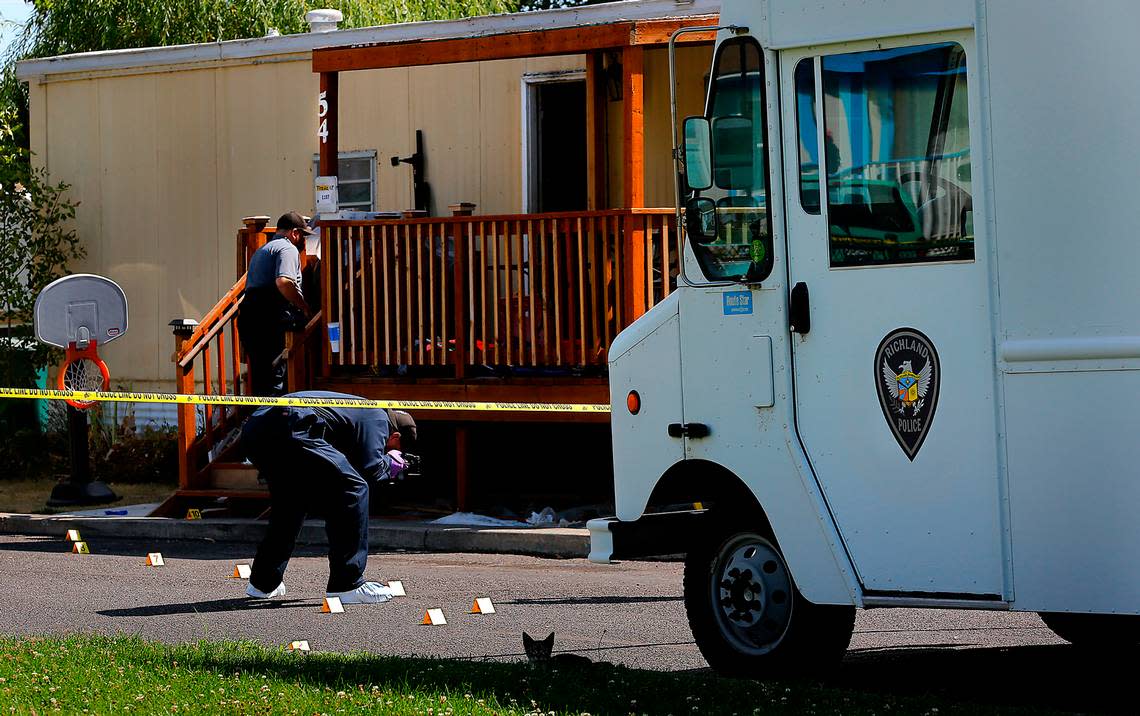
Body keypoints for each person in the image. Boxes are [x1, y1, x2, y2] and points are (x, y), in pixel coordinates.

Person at [241, 391, 418, 604]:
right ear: (395, 436)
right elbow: (370, 468)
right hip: (292, 423)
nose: (385, 449)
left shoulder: (357, 411)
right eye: (392, 448)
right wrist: (390, 464)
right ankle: (347, 584)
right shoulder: (378, 417)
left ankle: (263, 582)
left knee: (292, 500)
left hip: (257, 427)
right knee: (354, 489)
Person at [239, 211, 313, 396]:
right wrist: (304, 307)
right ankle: (275, 421)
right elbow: (284, 282)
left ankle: (260, 420)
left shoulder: (263, 250)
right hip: (270, 318)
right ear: (295, 233)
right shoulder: (287, 249)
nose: (303, 241)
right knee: (276, 379)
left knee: (260, 378)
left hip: (249, 316)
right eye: (303, 236)